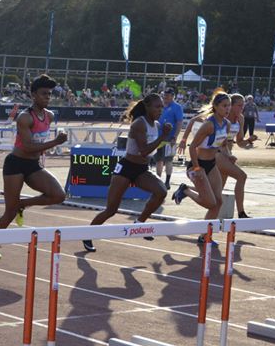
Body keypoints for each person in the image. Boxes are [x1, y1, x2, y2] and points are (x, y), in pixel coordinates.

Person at [0, 74, 67, 260]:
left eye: (49, 94)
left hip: (32, 165)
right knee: (10, 211)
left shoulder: (50, 116)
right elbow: (29, 146)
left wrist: (58, 136)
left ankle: (24, 204)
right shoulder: (24, 117)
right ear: (33, 95)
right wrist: (56, 141)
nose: (47, 97)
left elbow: (37, 145)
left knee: (59, 195)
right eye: (43, 94)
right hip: (16, 164)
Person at [82, 94, 171, 252]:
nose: (160, 110)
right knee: (111, 210)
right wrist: (163, 137)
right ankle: (87, 235)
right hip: (126, 168)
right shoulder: (139, 124)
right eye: (157, 106)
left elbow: (150, 151)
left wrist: (165, 139)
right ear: (147, 107)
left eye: (162, 107)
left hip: (142, 170)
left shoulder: (156, 125)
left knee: (161, 191)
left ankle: (140, 222)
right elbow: (143, 150)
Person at [172, 91, 231, 246]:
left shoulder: (227, 125)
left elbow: (222, 145)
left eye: (229, 106)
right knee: (210, 203)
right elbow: (193, 148)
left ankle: (205, 236)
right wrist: (197, 169)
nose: (228, 109)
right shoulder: (208, 125)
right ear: (216, 107)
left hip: (211, 165)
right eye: (225, 106)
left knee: (218, 202)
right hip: (197, 165)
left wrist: (228, 155)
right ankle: (185, 190)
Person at [215, 93, 256, 217]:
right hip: (217, 153)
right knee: (242, 176)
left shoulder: (241, 119)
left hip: (227, 154)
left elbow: (240, 142)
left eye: (242, 106)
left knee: (217, 190)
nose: (241, 108)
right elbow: (218, 143)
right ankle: (241, 212)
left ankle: (186, 190)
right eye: (239, 105)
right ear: (231, 106)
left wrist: (249, 140)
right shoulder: (223, 119)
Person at [153, 87, 183, 189]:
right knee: (159, 160)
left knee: (168, 160)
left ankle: (167, 181)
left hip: (170, 137)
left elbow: (179, 123)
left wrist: (175, 136)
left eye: (168, 96)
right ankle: (158, 180)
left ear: (172, 96)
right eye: (164, 96)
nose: (165, 98)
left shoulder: (177, 107)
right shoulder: (160, 105)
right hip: (158, 137)